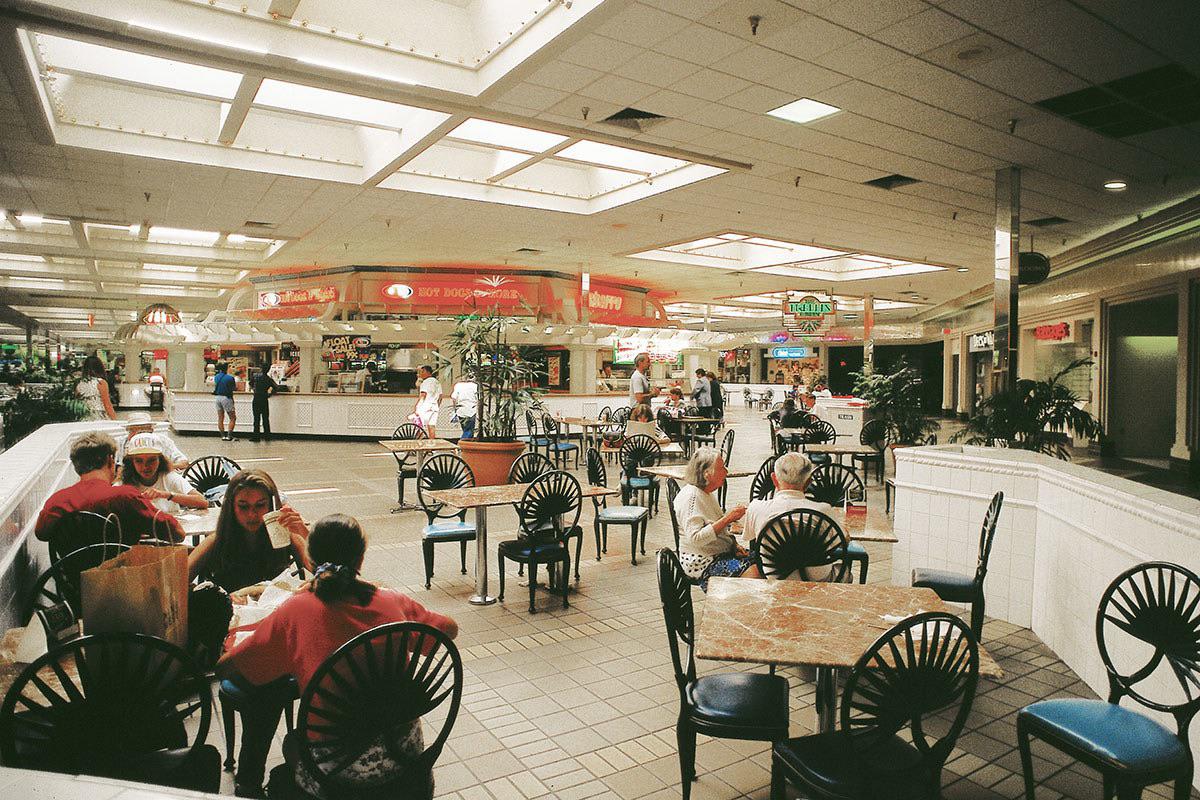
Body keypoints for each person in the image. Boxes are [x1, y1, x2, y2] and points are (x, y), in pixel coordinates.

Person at [217, 514, 459, 798]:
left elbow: (228, 669)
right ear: (361, 557)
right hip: (405, 757)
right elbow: (449, 630)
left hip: (335, 771)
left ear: (311, 558)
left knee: (291, 746)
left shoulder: (295, 611)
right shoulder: (393, 601)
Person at [35, 431, 183, 552]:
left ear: (76, 465)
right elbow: (176, 533)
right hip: (125, 578)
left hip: (74, 582)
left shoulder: (57, 501)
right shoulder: (124, 496)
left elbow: (41, 534)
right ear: (110, 460)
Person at [188, 469, 311, 591]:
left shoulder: (284, 536)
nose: (252, 514)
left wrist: (303, 532)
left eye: (260, 505)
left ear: (271, 505)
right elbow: (179, 581)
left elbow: (324, 570)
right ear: (231, 507)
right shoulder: (217, 540)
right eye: (243, 506)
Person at [741, 453, 838, 581]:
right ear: (808, 482)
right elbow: (838, 542)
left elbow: (749, 536)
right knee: (843, 569)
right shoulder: (824, 510)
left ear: (774, 479)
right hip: (817, 579)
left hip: (775, 575)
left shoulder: (756, 508)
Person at [672, 447, 759, 590]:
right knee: (754, 574)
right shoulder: (691, 497)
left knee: (765, 561)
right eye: (721, 467)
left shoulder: (705, 492)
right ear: (707, 474)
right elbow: (696, 538)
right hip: (702, 561)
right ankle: (738, 607)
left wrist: (734, 545)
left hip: (717, 553)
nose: (726, 471)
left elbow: (716, 528)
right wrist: (728, 519)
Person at [117, 433, 207, 514]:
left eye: (151, 460)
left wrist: (166, 494)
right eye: (139, 461)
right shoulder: (123, 481)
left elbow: (202, 501)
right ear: (131, 462)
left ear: (160, 460)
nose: (145, 467)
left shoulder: (169, 477)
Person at [119, 411, 189, 470]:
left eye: (143, 430)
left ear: (151, 430)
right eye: (135, 431)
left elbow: (184, 462)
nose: (141, 435)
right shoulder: (122, 442)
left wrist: (163, 469)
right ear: (129, 432)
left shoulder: (163, 441)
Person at [76, 355, 116, 420]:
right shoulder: (100, 383)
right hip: (99, 416)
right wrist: (114, 419)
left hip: (84, 416)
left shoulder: (79, 384)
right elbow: (107, 404)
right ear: (99, 367)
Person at [250, 366, 277, 441]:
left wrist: (254, 389)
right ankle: (267, 436)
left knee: (256, 418)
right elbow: (276, 387)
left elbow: (250, 383)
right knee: (265, 418)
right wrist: (269, 394)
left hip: (256, 398)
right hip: (264, 398)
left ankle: (256, 436)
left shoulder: (255, 377)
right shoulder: (268, 379)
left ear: (261, 369)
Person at [413, 364, 441, 437]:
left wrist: (417, 407)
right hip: (434, 407)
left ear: (426, 372)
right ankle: (432, 444)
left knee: (419, 426)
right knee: (431, 426)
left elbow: (423, 395)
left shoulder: (425, 382)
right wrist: (437, 405)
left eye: (422, 372)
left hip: (425, 406)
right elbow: (440, 396)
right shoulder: (437, 382)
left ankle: (418, 443)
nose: (420, 374)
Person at [213, 361, 238, 441]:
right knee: (232, 417)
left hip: (218, 398)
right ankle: (229, 435)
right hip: (226, 398)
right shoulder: (230, 378)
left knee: (220, 417)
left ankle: (222, 435)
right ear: (226, 368)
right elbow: (233, 388)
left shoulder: (216, 377)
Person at [450, 371, 477, 440]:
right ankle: (461, 445)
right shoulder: (475, 386)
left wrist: (454, 409)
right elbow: (478, 398)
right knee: (469, 430)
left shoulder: (458, 385)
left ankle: (467, 447)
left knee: (465, 429)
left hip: (460, 410)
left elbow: (454, 398)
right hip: (471, 409)